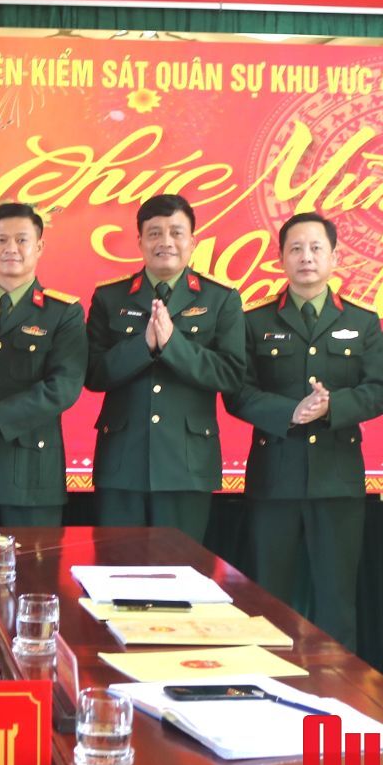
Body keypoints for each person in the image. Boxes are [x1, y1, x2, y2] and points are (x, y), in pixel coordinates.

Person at [226, 212, 383, 652]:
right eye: (295, 248)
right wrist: (291, 412)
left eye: (317, 248)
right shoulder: (254, 321)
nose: (306, 257)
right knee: (266, 597)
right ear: (280, 259)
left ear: (335, 257)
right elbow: (238, 393)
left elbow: (379, 392)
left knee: (337, 600)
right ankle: (265, 679)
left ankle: (338, 684)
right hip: (274, 477)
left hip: (337, 479)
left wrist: (333, 406)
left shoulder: (363, 321)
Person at [85, 194, 244, 536]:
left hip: (187, 463)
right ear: (140, 241)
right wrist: (142, 346)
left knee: (180, 565)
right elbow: (93, 374)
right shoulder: (110, 297)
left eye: (176, 232)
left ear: (193, 242)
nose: (165, 242)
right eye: (154, 233)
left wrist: (173, 344)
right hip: (122, 461)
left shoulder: (221, 298)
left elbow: (230, 374)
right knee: (118, 563)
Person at [0, 202, 85, 527]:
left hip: (32, 475)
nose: (11, 248)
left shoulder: (63, 312)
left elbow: (63, 388)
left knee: (32, 562)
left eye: (22, 240)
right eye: (1, 240)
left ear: (39, 246)